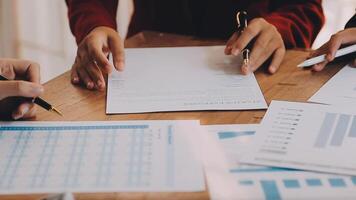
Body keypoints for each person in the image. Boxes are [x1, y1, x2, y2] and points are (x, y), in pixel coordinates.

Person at [65, 0, 324, 90]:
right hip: (146, 58)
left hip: (252, 69)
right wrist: (94, 25)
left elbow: (304, 6)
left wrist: (280, 27)